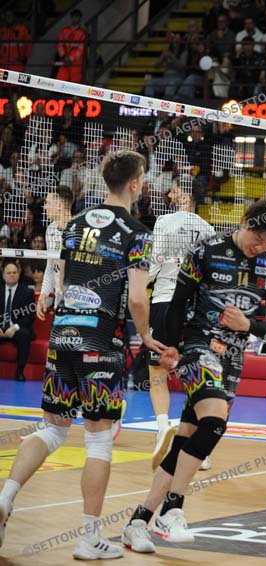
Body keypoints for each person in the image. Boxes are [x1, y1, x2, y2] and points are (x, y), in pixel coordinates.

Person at [0, 150, 173, 559]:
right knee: (97, 440)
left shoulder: (75, 223)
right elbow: (137, 298)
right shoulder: (137, 232)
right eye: (143, 180)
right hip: (100, 341)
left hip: (63, 336)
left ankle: (5, 497)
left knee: (52, 430)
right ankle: (88, 538)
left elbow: (61, 281)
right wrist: (145, 335)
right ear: (135, 184)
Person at [122, 200, 266, 551]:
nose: (260, 247)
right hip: (198, 348)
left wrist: (248, 325)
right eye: (257, 237)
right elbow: (176, 302)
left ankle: (138, 521)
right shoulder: (207, 250)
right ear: (245, 222)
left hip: (233, 358)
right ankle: (173, 509)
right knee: (214, 422)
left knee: (186, 439)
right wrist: (171, 347)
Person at [147, 182, 216, 471]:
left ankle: (163, 427)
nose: (170, 194)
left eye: (175, 191)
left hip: (165, 299)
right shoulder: (208, 229)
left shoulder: (164, 221)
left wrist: (137, 282)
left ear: (185, 195)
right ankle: (199, 447)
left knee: (157, 371)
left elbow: (154, 262)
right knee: (194, 373)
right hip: (195, 306)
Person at [36, 187, 73, 320]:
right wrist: (43, 294)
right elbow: (51, 267)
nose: (45, 207)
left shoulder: (78, 230)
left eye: (48, 202)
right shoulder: (51, 229)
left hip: (77, 302)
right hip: (59, 302)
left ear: (59, 206)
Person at [0, 261, 35, 382]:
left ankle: (20, 371)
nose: (11, 275)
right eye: (8, 273)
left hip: (17, 328)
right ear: (3, 275)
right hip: (1, 327)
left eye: (14, 272)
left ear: (19, 274)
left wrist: (15, 327)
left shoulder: (27, 292)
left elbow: (30, 316)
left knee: (24, 334)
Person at [56, 9, 86, 83]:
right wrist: (64, 57)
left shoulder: (83, 33)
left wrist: (71, 59)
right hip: (65, 61)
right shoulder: (64, 31)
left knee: (74, 85)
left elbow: (81, 49)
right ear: (71, 18)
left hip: (76, 63)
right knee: (59, 82)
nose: (75, 19)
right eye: (74, 17)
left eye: (77, 17)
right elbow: (60, 45)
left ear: (80, 18)